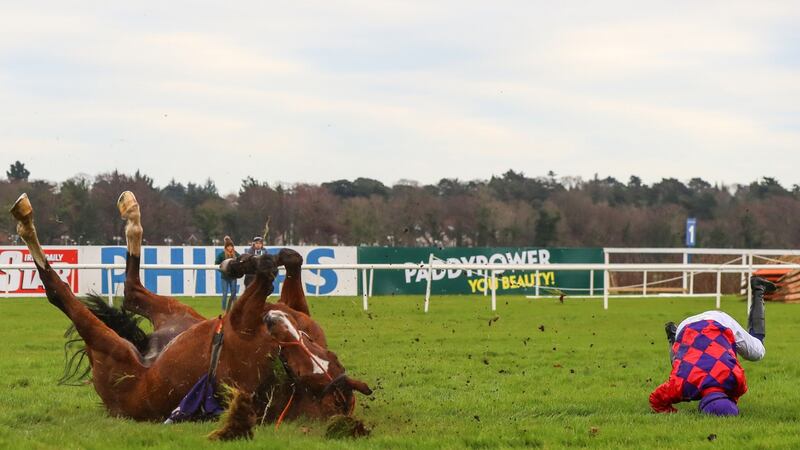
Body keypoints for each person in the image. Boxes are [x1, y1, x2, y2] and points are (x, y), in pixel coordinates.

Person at [649, 276, 775, 416]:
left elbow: (655, 400)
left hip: (699, 324)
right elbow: (655, 399)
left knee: (682, 368)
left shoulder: (736, 381)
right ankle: (759, 290)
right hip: (703, 324)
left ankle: (759, 289)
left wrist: (674, 414)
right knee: (758, 352)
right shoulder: (682, 386)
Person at [214, 236, 240, 311]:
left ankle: (235, 309)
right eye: (228, 246)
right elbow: (216, 264)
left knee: (233, 294)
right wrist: (222, 271)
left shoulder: (236, 254)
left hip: (233, 277)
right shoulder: (222, 255)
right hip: (224, 278)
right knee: (225, 294)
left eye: (231, 246)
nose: (230, 248)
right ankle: (223, 309)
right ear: (226, 247)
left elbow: (240, 261)